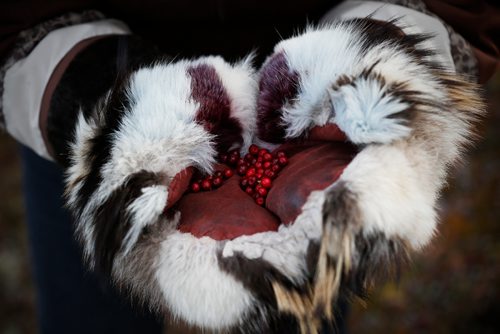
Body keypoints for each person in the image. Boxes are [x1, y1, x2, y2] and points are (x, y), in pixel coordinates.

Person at [0, 1, 498, 333]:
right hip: (98, 128)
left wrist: (378, 57)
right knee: (89, 309)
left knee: (298, 292)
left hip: (315, 79)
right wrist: (90, 93)